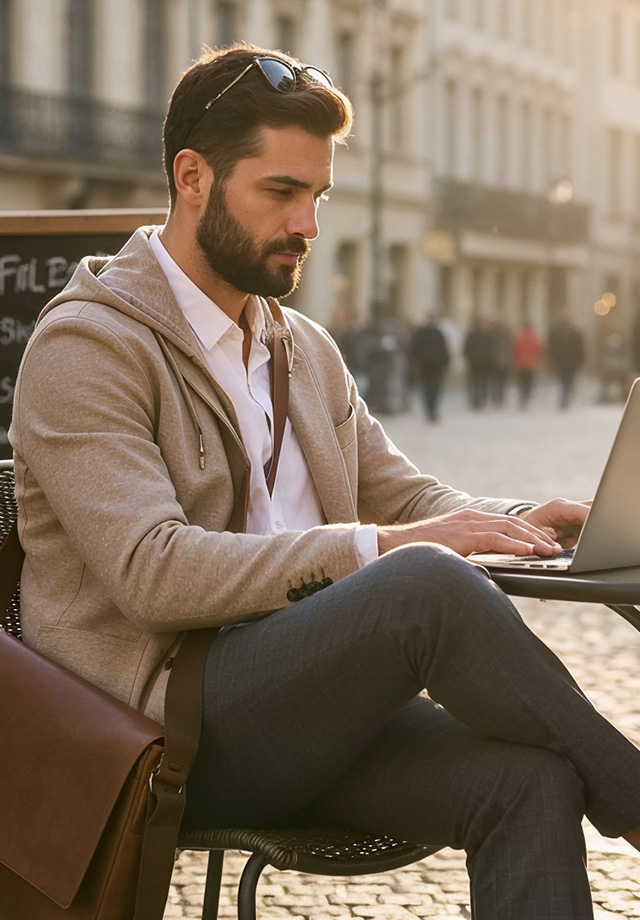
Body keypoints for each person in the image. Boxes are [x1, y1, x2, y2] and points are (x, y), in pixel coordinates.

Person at [9, 42, 640, 920]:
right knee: (421, 582)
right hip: (167, 731)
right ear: (193, 177)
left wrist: (524, 518)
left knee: (527, 780)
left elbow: (408, 498)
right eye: (281, 192)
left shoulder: (299, 348)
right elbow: (151, 570)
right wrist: (388, 550)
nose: (308, 222)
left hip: (307, 710)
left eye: (318, 196)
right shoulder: (87, 346)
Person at [410, 312, 450, 421]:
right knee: (435, 387)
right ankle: (433, 409)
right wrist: (446, 363)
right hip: (437, 364)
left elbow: (414, 348)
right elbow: (444, 349)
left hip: (424, 363)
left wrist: (414, 361)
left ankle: (428, 409)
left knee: (426, 386)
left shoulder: (421, 332)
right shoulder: (439, 332)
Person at [548, 311, 586, 409]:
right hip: (569, 362)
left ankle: (564, 398)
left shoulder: (556, 331)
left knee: (564, 381)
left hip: (562, 361)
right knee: (568, 381)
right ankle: (565, 398)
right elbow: (580, 348)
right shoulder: (575, 332)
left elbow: (550, 347)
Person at [463, 315, 495, 409]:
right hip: (477, 361)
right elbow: (466, 348)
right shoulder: (475, 334)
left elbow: (491, 348)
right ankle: (478, 397)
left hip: (481, 361)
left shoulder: (482, 334)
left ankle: (480, 397)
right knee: (477, 380)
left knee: (480, 380)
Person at [513, 321, 544, 408]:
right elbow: (539, 351)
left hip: (521, 364)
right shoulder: (534, 338)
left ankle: (522, 397)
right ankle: (527, 396)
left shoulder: (519, 338)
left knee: (522, 382)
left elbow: (515, 350)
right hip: (531, 364)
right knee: (529, 382)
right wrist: (537, 361)